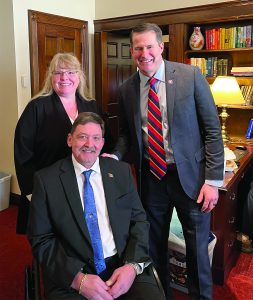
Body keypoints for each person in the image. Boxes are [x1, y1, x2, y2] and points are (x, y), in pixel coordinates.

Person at [110, 23, 224, 299]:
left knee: (197, 249)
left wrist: (212, 180)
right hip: (153, 178)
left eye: (150, 46)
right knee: (153, 245)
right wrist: (113, 156)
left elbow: (212, 130)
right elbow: (126, 134)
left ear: (161, 47)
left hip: (192, 180)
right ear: (132, 51)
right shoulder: (127, 89)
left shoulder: (190, 76)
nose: (144, 53)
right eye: (138, 48)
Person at [27, 112, 165, 300]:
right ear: (70, 140)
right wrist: (78, 279)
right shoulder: (46, 181)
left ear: (102, 142)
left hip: (122, 263)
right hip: (74, 271)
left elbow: (139, 221)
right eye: (82, 137)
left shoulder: (121, 172)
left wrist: (132, 267)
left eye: (95, 138)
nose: (89, 144)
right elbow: (41, 239)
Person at [14, 53, 110, 234]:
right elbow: (22, 150)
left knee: (82, 233)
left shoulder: (90, 105)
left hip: (84, 184)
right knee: (50, 240)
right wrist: (30, 191)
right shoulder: (37, 107)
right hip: (48, 186)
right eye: (58, 73)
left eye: (70, 72)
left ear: (79, 76)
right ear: (51, 78)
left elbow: (104, 139)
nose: (64, 78)